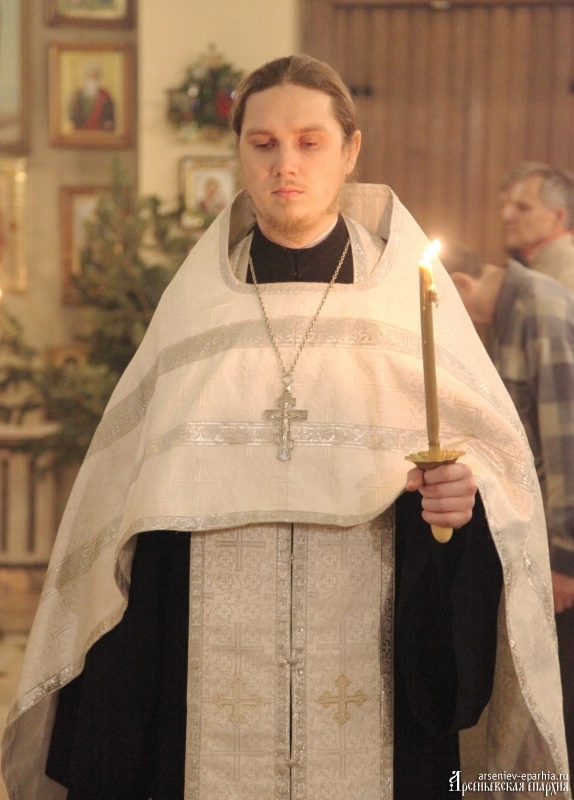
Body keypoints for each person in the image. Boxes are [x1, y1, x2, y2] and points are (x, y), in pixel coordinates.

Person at [2, 56, 568, 800]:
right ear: (239, 152)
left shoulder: (405, 308)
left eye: (309, 141)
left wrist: (460, 502)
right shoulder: (197, 315)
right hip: (205, 691)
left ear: (350, 150)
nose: (285, 165)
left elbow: (490, 484)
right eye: (263, 144)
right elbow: (131, 522)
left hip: (378, 676)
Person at [442, 241, 574, 776]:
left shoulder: (540, 307)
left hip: (561, 553)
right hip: (536, 543)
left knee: (560, 699)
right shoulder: (508, 311)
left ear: (462, 285)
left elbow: (566, 442)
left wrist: (564, 555)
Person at [501, 162, 574, 289]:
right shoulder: (533, 265)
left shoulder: (567, 276)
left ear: (557, 217)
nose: (506, 215)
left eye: (523, 207)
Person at [68, 63, 116, 132]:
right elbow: (71, 115)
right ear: (85, 77)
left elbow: (110, 118)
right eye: (89, 76)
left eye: (95, 77)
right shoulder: (76, 94)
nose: (92, 79)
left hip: (99, 132)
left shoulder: (105, 95)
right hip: (80, 132)